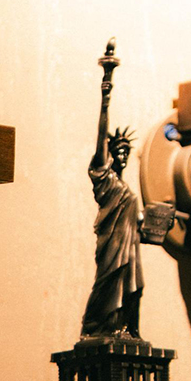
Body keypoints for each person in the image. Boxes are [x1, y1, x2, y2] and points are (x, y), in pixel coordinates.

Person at [80, 53, 143, 339]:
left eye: (126, 152)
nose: (122, 156)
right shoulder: (105, 179)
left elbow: (136, 221)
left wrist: (153, 221)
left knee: (135, 287)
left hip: (131, 249)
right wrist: (106, 91)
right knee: (108, 287)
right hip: (111, 249)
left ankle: (130, 329)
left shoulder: (128, 190)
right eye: (118, 151)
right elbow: (101, 134)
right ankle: (97, 328)